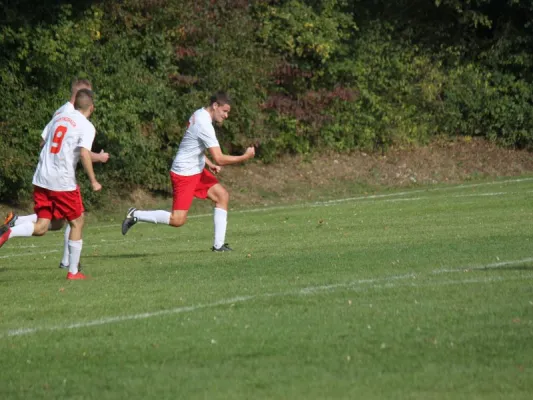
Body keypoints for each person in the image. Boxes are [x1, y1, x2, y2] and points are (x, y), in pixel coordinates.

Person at [121, 91, 255, 251]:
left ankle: (218, 246)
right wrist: (244, 157)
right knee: (177, 220)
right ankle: (135, 214)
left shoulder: (199, 113)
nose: (226, 115)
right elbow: (220, 158)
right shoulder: (204, 124)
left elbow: (191, 144)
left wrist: (208, 163)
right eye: (224, 111)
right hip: (184, 173)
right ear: (215, 106)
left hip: (196, 169)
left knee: (222, 196)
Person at [3, 78, 109, 270]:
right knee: (77, 220)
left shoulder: (59, 116)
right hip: (62, 180)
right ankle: (72, 270)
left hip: (42, 177)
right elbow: (83, 152)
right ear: (91, 107)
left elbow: (44, 142)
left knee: (48, 225)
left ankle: (10, 231)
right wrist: (93, 180)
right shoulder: (85, 125)